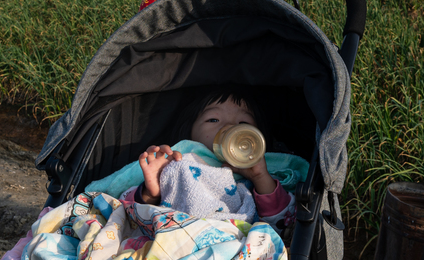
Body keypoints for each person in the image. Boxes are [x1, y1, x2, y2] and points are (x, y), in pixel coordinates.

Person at [120, 88, 295, 233]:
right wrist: (152, 193)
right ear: (190, 134)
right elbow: (125, 212)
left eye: (243, 123)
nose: (230, 127)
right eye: (213, 119)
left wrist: (260, 178)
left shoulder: (258, 176)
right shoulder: (180, 163)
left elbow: (283, 226)